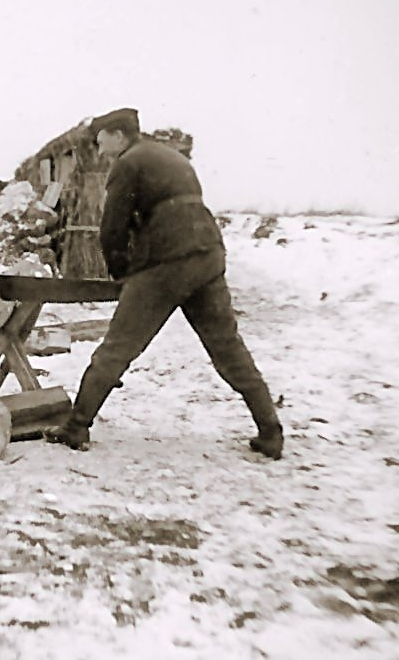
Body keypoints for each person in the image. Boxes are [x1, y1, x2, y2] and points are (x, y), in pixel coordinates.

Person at [47, 107, 283, 458]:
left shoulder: (128, 163)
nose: (99, 150)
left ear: (118, 134)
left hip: (166, 262)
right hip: (207, 254)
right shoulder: (170, 157)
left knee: (117, 348)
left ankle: (76, 426)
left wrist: (120, 270)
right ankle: (270, 431)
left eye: (101, 141)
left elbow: (112, 227)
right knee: (228, 348)